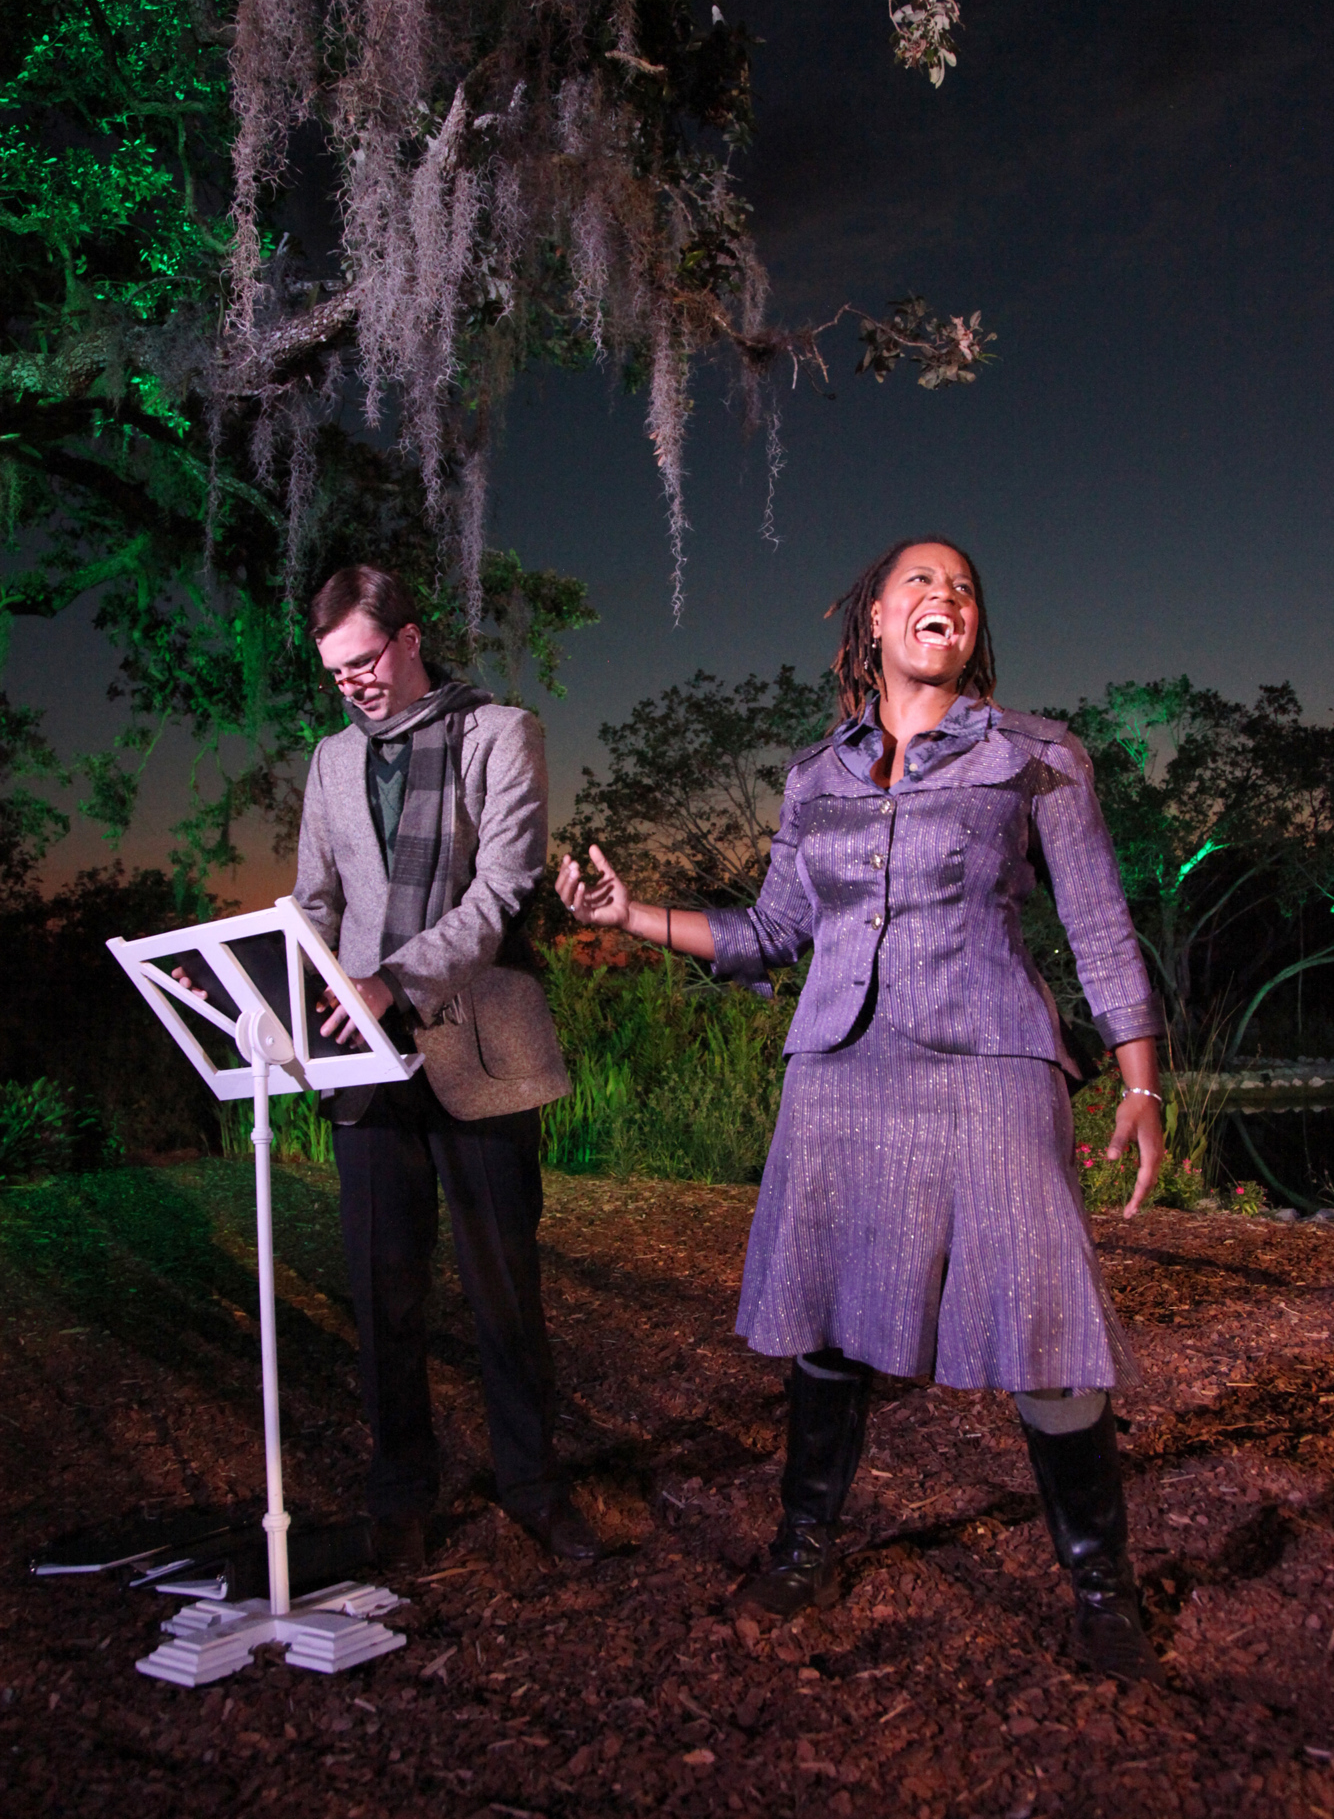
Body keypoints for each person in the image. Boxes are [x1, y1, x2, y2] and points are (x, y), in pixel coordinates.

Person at [556, 534, 1166, 1682]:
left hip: (988, 1058)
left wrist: (1135, 1078)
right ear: (874, 625)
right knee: (826, 1325)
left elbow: (1093, 923)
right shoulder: (812, 777)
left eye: (964, 588)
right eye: (919, 584)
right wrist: (629, 913)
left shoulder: (1037, 757)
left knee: (1042, 1321)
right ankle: (801, 1545)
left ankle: (1098, 1586)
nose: (946, 596)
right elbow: (768, 935)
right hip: (837, 1070)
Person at [290, 565, 601, 1572]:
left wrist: (396, 979)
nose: (351, 684)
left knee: (503, 1287)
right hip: (365, 1060)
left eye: (364, 661)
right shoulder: (331, 760)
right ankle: (399, 1491)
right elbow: (315, 898)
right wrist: (284, 989)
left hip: (480, 1041)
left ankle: (531, 1483)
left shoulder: (499, 733)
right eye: (334, 671)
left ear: (409, 637)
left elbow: (506, 882)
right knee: (383, 1292)